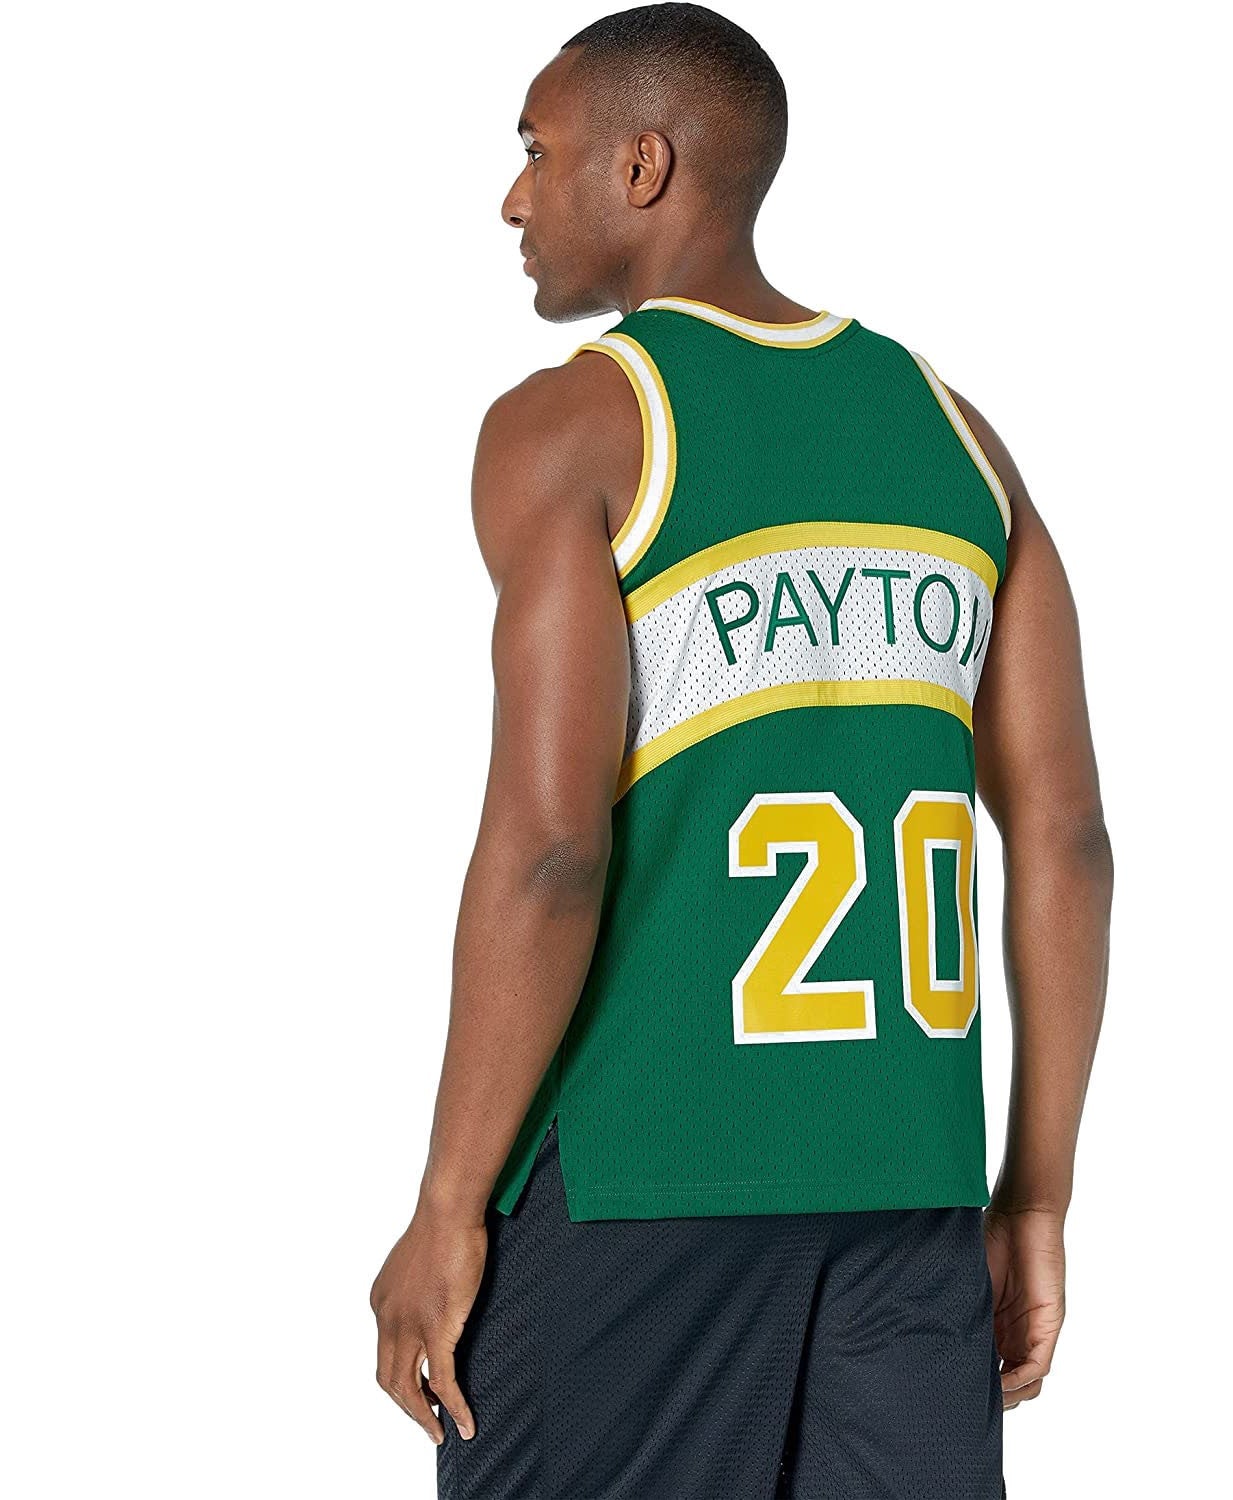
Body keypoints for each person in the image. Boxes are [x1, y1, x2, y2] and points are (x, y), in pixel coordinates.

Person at [370, 5, 1112, 1496]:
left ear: (641, 165)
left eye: (537, 151)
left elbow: (552, 849)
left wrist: (449, 1200)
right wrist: (1033, 1197)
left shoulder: (575, 428)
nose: (513, 196)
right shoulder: (957, 435)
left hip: (643, 1175)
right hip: (907, 1189)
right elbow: (1067, 842)